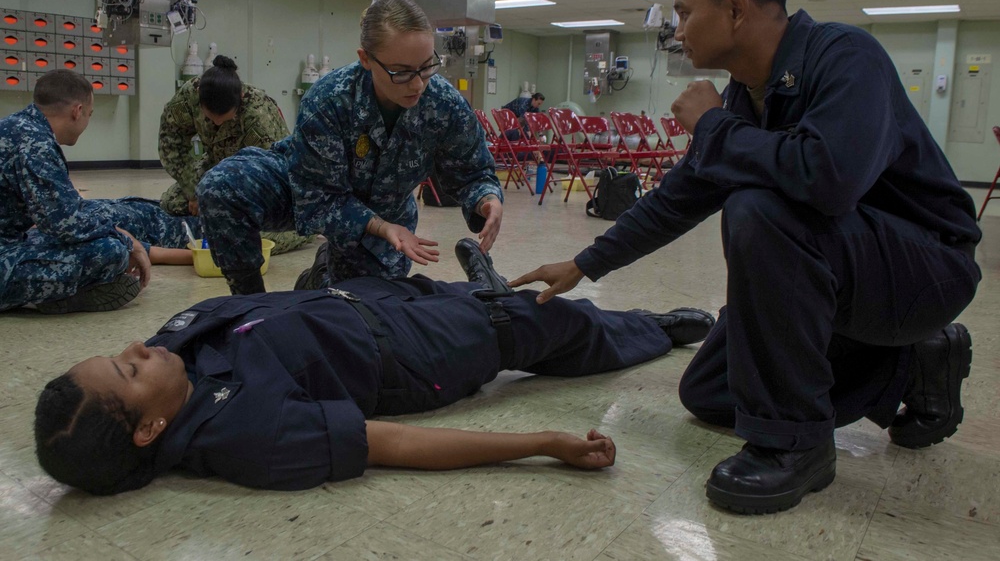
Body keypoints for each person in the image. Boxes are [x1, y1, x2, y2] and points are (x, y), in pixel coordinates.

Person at [511, 0, 981, 515]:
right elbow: (679, 197)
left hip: (925, 268)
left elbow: (827, 179)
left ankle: (797, 443)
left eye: (684, 12)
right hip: (844, 270)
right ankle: (910, 366)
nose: (676, 30)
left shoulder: (844, 57)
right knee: (710, 392)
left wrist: (712, 129)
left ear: (735, 8)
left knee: (759, 208)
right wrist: (583, 264)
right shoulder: (745, 98)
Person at [33, 240, 716, 495]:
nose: (135, 350)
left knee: (487, 297)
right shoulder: (251, 436)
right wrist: (544, 443)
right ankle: (654, 330)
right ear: (150, 428)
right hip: (419, 353)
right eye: (126, 371)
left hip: (368, 301)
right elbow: (395, 441)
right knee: (545, 322)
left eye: (118, 354)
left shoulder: (170, 357)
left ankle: (485, 283)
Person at [197, 0, 504, 295]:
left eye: (426, 66)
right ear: (366, 59)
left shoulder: (443, 102)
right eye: (402, 72)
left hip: (387, 210)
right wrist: (381, 227)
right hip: (306, 186)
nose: (418, 84)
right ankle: (251, 306)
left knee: (361, 309)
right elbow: (318, 197)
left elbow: (473, 170)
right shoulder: (329, 98)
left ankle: (320, 277)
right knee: (222, 187)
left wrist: (487, 199)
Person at [0, 69, 151, 313]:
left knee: (99, 233)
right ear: (77, 111)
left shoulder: (17, 127)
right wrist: (127, 240)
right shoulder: (35, 143)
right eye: (89, 115)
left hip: (10, 240)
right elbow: (64, 223)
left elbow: (59, 215)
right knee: (110, 251)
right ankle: (58, 297)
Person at [158, 55, 312, 256]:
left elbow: (273, 177)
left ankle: (307, 229)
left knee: (251, 239)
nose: (218, 125)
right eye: (210, 119)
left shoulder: (259, 117)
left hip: (255, 181)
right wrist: (192, 190)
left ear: (239, 101)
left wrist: (233, 205)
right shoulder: (188, 98)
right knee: (171, 202)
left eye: (224, 119)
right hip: (216, 168)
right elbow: (171, 144)